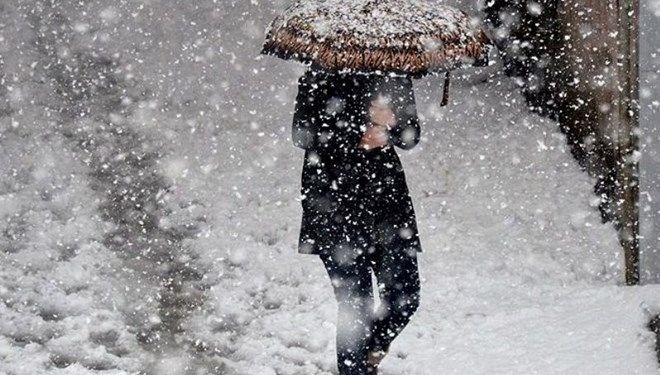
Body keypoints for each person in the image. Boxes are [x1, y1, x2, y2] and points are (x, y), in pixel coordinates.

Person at [291, 67, 422, 374]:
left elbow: (411, 136)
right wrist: (359, 130)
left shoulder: (393, 73)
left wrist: (391, 125)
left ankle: (370, 353)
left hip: (387, 205)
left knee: (405, 295)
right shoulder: (319, 74)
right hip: (333, 205)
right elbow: (303, 134)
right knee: (356, 306)